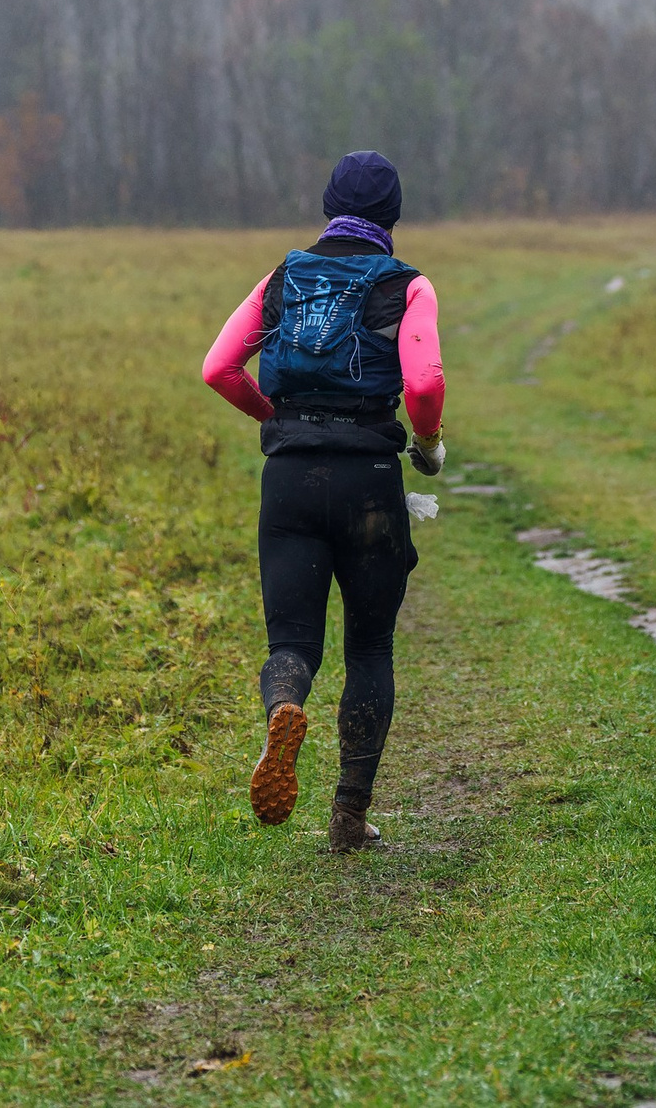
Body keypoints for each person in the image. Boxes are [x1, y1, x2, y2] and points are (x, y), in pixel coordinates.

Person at [200, 151, 446, 851]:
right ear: (392, 216)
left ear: (327, 204)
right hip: (369, 477)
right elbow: (423, 386)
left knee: (292, 642)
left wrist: (275, 415)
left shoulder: (283, 276)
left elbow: (218, 367)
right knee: (369, 646)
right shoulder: (407, 285)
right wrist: (426, 445)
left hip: (289, 481)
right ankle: (347, 816)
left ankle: (284, 706)